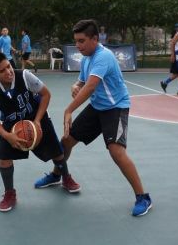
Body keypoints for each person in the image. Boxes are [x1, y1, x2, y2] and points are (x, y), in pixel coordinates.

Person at [35, 19, 152, 217]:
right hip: (98, 107)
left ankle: (143, 197)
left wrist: (68, 110)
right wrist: (75, 85)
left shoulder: (103, 56)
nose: (78, 45)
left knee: (116, 152)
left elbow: (90, 87)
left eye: (81, 41)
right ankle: (57, 175)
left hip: (116, 108)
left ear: (95, 39)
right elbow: (83, 82)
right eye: (76, 41)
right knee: (66, 141)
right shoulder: (87, 58)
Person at [0, 51, 80, 212]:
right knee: (4, 159)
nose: (8, 72)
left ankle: (65, 177)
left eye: (8, 66)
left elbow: (46, 95)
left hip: (36, 116)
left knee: (57, 152)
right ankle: (9, 193)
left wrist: (37, 121)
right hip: (12, 125)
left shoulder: (24, 75)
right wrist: (7, 135)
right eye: (2, 70)